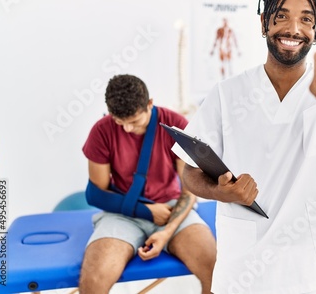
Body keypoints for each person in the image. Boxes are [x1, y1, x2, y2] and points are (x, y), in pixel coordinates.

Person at [173, 0, 316, 294]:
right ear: (264, 23)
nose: (293, 29)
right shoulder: (227, 93)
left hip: (312, 260)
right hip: (246, 258)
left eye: (306, 20)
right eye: (281, 16)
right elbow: (189, 172)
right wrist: (220, 192)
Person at [80, 74, 216, 294]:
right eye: (119, 121)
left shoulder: (177, 126)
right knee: (94, 280)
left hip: (172, 209)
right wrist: (144, 210)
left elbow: (190, 188)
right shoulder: (101, 131)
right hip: (122, 213)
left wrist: (167, 230)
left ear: (150, 104)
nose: (126, 129)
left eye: (133, 121)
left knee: (215, 269)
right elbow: (96, 195)